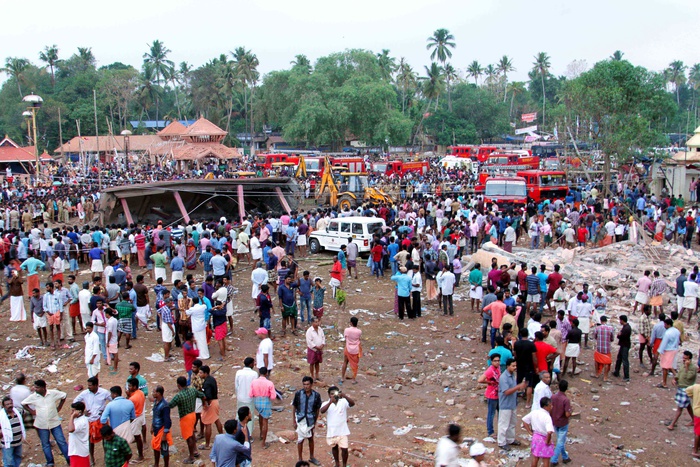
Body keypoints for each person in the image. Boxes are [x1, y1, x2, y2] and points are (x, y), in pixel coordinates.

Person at [22, 379, 70, 467]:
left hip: (54, 422)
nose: (35, 389)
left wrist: (59, 407)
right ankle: (50, 462)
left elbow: (64, 396)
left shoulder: (52, 393)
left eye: (37, 387)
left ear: (43, 388)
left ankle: (69, 460)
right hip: (42, 424)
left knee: (61, 441)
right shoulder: (34, 396)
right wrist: (32, 411)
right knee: (45, 444)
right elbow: (24, 403)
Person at [73, 376, 111, 465]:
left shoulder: (104, 392)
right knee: (90, 440)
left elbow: (113, 401)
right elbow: (75, 402)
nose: (88, 387)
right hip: (89, 420)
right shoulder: (85, 393)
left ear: (96, 385)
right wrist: (82, 412)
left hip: (101, 420)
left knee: (105, 439)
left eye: (90, 385)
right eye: (88, 385)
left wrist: (106, 409)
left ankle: (106, 456)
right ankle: (92, 458)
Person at [168, 376, 204, 464]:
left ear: (178, 385)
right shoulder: (192, 390)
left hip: (185, 417)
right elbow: (202, 395)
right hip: (193, 414)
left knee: (188, 437)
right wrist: (205, 403)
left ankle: (191, 456)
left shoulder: (179, 396)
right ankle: (195, 451)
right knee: (192, 434)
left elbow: (170, 405)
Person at [320, 386, 355, 467]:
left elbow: (352, 404)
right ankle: (337, 463)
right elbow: (322, 411)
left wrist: (344, 396)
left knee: (344, 449)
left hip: (343, 430)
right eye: (332, 394)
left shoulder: (343, 402)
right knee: (334, 447)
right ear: (329, 395)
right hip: (332, 430)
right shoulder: (326, 403)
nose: (333, 395)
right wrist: (330, 402)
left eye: (335, 393)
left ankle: (344, 464)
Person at [498, 358, 527, 450]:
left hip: (512, 403)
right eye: (513, 366)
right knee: (504, 424)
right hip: (506, 405)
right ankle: (501, 442)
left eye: (515, 366)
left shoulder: (512, 375)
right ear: (508, 366)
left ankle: (510, 439)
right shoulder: (503, 377)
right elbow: (506, 392)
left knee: (512, 423)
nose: (515, 368)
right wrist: (518, 387)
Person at [292, 376, 322, 466]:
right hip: (301, 419)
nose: (306, 386)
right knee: (300, 439)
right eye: (304, 384)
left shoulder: (316, 395)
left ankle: (312, 457)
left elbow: (317, 409)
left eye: (308, 384)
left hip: (310, 420)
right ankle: (300, 459)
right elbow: (294, 406)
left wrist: (315, 420)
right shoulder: (298, 394)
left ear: (311, 385)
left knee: (310, 438)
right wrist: (294, 420)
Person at [522, 397, 555, 466]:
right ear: (545, 406)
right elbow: (549, 432)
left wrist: (530, 432)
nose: (551, 407)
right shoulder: (547, 417)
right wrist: (548, 441)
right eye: (550, 405)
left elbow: (525, 420)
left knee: (535, 457)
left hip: (536, 437)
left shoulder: (535, 412)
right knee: (546, 459)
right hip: (544, 438)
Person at [668, 351, 697, 431]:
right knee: (687, 405)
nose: (683, 360)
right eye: (683, 358)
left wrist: (687, 367)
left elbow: (688, 377)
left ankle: (672, 424)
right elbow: (679, 374)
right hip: (681, 387)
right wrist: (675, 379)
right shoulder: (683, 366)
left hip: (686, 389)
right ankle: (694, 420)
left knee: (680, 407)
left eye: (685, 358)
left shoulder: (693, 368)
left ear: (689, 359)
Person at [249, 367, 276, 448]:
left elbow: (250, 394)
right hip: (265, 401)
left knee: (261, 415)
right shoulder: (269, 383)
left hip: (256, 401)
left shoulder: (254, 382)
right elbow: (273, 396)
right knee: (265, 421)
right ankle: (263, 442)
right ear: (266, 373)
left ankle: (261, 433)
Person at [199, 366, 224, 451]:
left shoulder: (206, 383)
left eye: (201, 373)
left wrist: (205, 402)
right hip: (215, 401)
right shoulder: (212, 379)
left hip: (210, 403)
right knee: (216, 419)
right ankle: (223, 437)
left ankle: (207, 444)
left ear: (205, 373)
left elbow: (208, 396)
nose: (199, 374)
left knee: (208, 423)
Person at [477, 354, 501, 442]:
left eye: (498, 360)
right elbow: (480, 380)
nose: (497, 362)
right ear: (491, 361)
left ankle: (499, 430)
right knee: (491, 413)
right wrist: (489, 382)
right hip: (492, 395)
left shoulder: (498, 368)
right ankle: (490, 431)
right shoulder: (490, 370)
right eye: (495, 361)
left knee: (499, 412)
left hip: (498, 394)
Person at [550, 379, 572, 465]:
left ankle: (565, 457)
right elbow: (567, 414)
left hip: (554, 421)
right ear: (566, 388)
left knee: (560, 439)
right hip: (563, 422)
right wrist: (570, 412)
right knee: (560, 442)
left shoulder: (553, 397)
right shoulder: (566, 400)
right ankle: (554, 460)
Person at [235, 357, 258, 437]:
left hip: (240, 397)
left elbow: (236, 385)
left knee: (239, 414)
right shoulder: (254, 374)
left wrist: (238, 394)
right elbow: (255, 387)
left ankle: (238, 431)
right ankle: (249, 434)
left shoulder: (238, 372)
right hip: (249, 398)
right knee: (249, 417)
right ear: (251, 364)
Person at [151, 385, 173, 467]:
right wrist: (152, 426)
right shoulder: (156, 402)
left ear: (159, 393)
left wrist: (164, 434)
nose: (152, 393)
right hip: (156, 428)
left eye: (154, 392)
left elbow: (168, 421)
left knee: (164, 449)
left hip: (162, 429)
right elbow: (154, 415)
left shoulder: (165, 405)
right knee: (155, 447)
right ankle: (156, 464)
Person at [0, 396, 25, 467]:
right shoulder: (1, 416)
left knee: (18, 458)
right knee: (9, 462)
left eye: (11, 403)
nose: (10, 405)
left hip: (18, 442)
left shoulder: (18, 412)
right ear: (3, 406)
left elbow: (24, 414)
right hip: (7, 444)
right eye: (7, 404)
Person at [125, 377, 146, 463]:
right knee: (137, 436)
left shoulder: (132, 399)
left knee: (137, 437)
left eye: (130, 386)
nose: (128, 387)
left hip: (135, 418)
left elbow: (127, 407)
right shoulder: (140, 392)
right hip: (140, 415)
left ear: (134, 386)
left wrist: (127, 396)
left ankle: (141, 456)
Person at [657, 318, 681, 388]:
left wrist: (659, 351)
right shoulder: (677, 331)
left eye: (665, 324)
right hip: (674, 349)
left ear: (668, 325)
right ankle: (677, 377)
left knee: (665, 367)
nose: (664, 325)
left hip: (668, 350)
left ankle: (664, 383)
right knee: (670, 365)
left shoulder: (667, 333)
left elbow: (664, 343)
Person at [67, 401, 90, 467]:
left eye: (73, 411)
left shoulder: (81, 422)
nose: (71, 413)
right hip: (77, 450)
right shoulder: (81, 419)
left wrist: (72, 417)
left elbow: (71, 429)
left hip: (78, 452)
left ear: (79, 412)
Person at [593, 316, 614, 382]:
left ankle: (597, 374)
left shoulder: (597, 328)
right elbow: (612, 339)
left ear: (600, 320)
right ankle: (605, 377)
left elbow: (595, 337)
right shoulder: (610, 328)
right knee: (607, 362)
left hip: (599, 347)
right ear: (606, 320)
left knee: (597, 360)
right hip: (607, 348)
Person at [341, 317, 362, 383]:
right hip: (356, 349)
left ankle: (342, 377)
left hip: (348, 348)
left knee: (345, 362)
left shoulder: (347, 330)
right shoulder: (359, 331)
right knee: (355, 364)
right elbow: (358, 338)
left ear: (351, 323)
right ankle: (353, 379)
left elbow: (345, 337)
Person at [612, 315, 632, 382]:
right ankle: (616, 372)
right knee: (619, 359)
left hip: (625, 345)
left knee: (624, 360)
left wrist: (619, 335)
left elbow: (620, 336)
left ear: (622, 320)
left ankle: (626, 376)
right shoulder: (626, 327)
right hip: (624, 345)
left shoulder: (626, 328)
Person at [685, 379, 700, 458]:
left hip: (696, 411)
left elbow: (687, 391)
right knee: (698, 433)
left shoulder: (696, 387)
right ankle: (695, 450)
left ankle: (697, 446)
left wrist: (694, 398)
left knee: (697, 430)